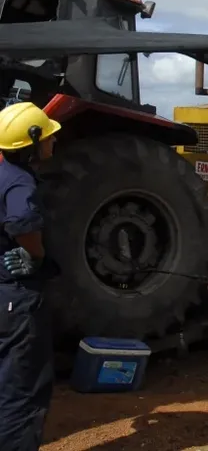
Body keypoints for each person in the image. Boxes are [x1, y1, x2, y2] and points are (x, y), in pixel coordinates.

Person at [0, 101, 60, 451]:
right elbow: (22, 223)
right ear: (32, 142)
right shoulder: (20, 183)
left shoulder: (3, 173)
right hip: (15, 299)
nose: (54, 141)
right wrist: (35, 256)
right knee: (22, 389)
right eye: (48, 136)